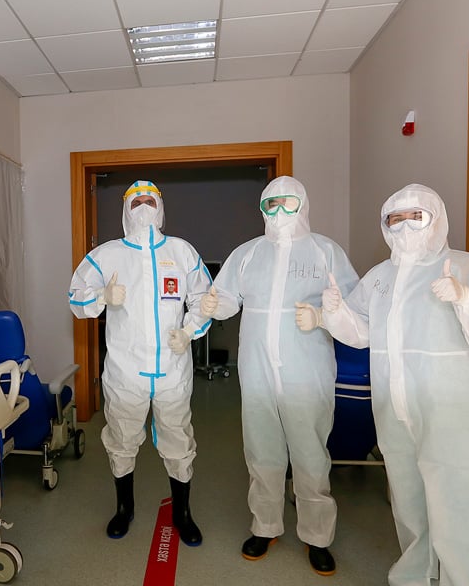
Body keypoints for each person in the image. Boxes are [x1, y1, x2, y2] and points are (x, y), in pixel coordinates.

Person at [313, 183, 469, 586]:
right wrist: (336, 313)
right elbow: (360, 332)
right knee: (409, 500)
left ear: (437, 219)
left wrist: (466, 298)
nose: (406, 226)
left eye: (417, 216)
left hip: (451, 411)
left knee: (462, 504)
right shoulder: (380, 277)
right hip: (395, 409)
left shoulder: (464, 266)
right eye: (396, 219)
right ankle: (415, 575)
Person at [198, 175, 359, 576]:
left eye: (288, 202)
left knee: (310, 455)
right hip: (257, 370)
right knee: (262, 450)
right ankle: (265, 526)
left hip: (308, 371)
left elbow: (355, 310)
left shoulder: (326, 252)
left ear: (303, 203)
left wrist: (324, 316)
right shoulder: (248, 253)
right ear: (262, 209)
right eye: (271, 204)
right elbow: (226, 298)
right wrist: (213, 306)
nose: (280, 211)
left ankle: (317, 536)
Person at [68, 180, 213, 545]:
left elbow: (204, 299)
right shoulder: (106, 255)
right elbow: (76, 298)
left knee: (179, 440)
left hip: (173, 370)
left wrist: (190, 331)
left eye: (150, 200)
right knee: (121, 439)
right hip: (125, 372)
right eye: (136, 202)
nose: (144, 207)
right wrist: (102, 296)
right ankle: (124, 508)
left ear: (161, 207)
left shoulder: (182, 252)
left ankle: (182, 513)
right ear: (125, 209)